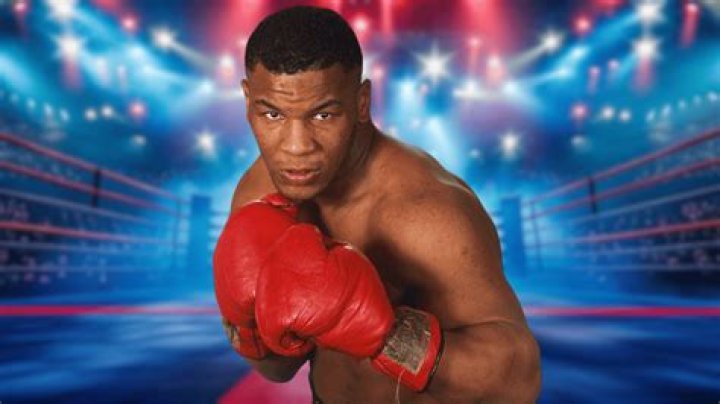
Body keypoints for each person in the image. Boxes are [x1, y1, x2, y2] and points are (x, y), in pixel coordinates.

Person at [213, 6, 541, 403]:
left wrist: (385, 333)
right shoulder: (259, 196)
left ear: (361, 102)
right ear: (248, 100)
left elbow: (519, 382)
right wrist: (250, 332)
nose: (296, 147)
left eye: (323, 114)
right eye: (273, 114)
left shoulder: (427, 211)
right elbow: (278, 369)